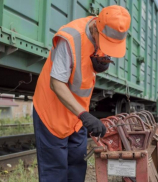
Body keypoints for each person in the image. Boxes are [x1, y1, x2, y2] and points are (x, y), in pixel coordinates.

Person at [33, 5, 131, 182]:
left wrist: (100, 63)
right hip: (52, 113)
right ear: (96, 29)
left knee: (77, 167)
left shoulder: (102, 32)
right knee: (55, 172)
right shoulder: (70, 38)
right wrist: (85, 115)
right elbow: (56, 83)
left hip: (76, 116)